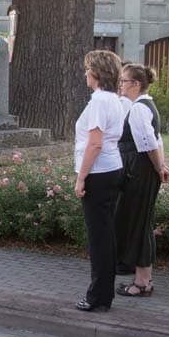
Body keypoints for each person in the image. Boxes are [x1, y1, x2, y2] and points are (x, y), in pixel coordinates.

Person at [73, 50, 126, 312]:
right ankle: (104, 293)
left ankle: (98, 295)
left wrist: (81, 178)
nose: (85, 73)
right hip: (111, 168)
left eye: (88, 68)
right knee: (106, 234)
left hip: (98, 172)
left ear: (97, 72)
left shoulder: (99, 101)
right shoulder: (114, 99)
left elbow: (94, 143)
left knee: (99, 238)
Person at [114, 63, 169, 297]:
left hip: (139, 170)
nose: (120, 85)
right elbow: (157, 140)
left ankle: (142, 282)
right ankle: (142, 278)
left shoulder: (139, 108)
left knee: (139, 224)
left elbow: (148, 142)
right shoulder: (145, 105)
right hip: (142, 169)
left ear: (136, 84)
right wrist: (161, 166)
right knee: (140, 223)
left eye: (124, 81)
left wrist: (159, 167)